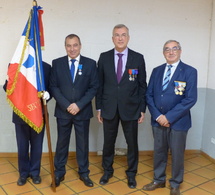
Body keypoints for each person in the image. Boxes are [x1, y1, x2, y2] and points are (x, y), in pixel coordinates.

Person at [142, 40, 197, 195]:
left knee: (177, 153)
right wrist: (158, 116)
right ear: (163, 52)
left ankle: (175, 183)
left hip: (179, 122)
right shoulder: (157, 70)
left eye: (174, 49)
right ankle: (158, 180)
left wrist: (169, 117)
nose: (171, 52)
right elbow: (149, 94)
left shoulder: (189, 71)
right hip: (158, 120)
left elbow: (190, 98)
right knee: (159, 151)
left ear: (180, 51)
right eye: (167, 49)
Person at [96, 24, 147, 189]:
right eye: (117, 35)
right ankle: (107, 171)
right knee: (108, 142)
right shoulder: (103, 57)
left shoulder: (138, 58)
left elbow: (142, 86)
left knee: (132, 143)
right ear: (112, 38)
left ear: (128, 38)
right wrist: (99, 108)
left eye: (123, 35)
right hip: (109, 108)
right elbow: (99, 85)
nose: (120, 38)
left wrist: (142, 109)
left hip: (131, 109)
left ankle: (131, 174)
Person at [50, 34, 99, 187]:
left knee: (82, 144)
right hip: (63, 112)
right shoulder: (57, 64)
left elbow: (94, 87)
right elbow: (53, 87)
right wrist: (67, 105)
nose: (72, 49)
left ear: (80, 45)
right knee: (61, 143)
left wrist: (78, 105)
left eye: (75, 45)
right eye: (69, 45)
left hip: (82, 111)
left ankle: (84, 173)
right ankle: (59, 173)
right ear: (65, 46)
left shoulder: (90, 64)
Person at [3, 61, 51, 186]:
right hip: (21, 114)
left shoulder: (45, 67)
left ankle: (35, 173)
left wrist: (47, 95)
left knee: (37, 146)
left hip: (38, 114)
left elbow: (50, 89)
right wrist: (12, 84)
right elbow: (6, 87)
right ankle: (23, 174)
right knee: (22, 146)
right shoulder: (15, 65)